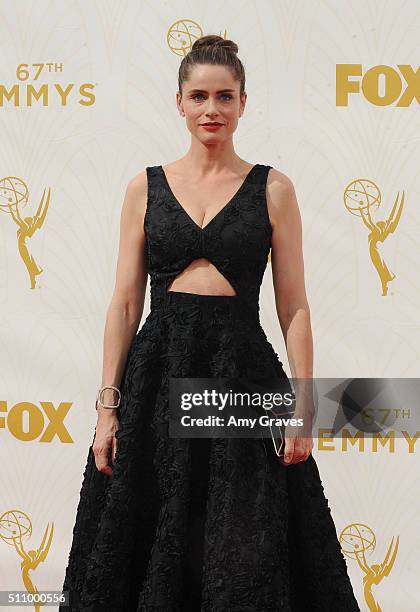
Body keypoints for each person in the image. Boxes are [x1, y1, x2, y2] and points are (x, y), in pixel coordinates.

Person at [60, 34, 360, 611]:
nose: (211, 110)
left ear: (243, 103)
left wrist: (303, 401)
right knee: (151, 536)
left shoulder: (273, 188)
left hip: (243, 377)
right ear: (179, 103)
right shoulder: (142, 188)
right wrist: (106, 407)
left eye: (225, 97)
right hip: (157, 378)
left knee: (242, 543)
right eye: (199, 96)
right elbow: (124, 303)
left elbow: (293, 304)